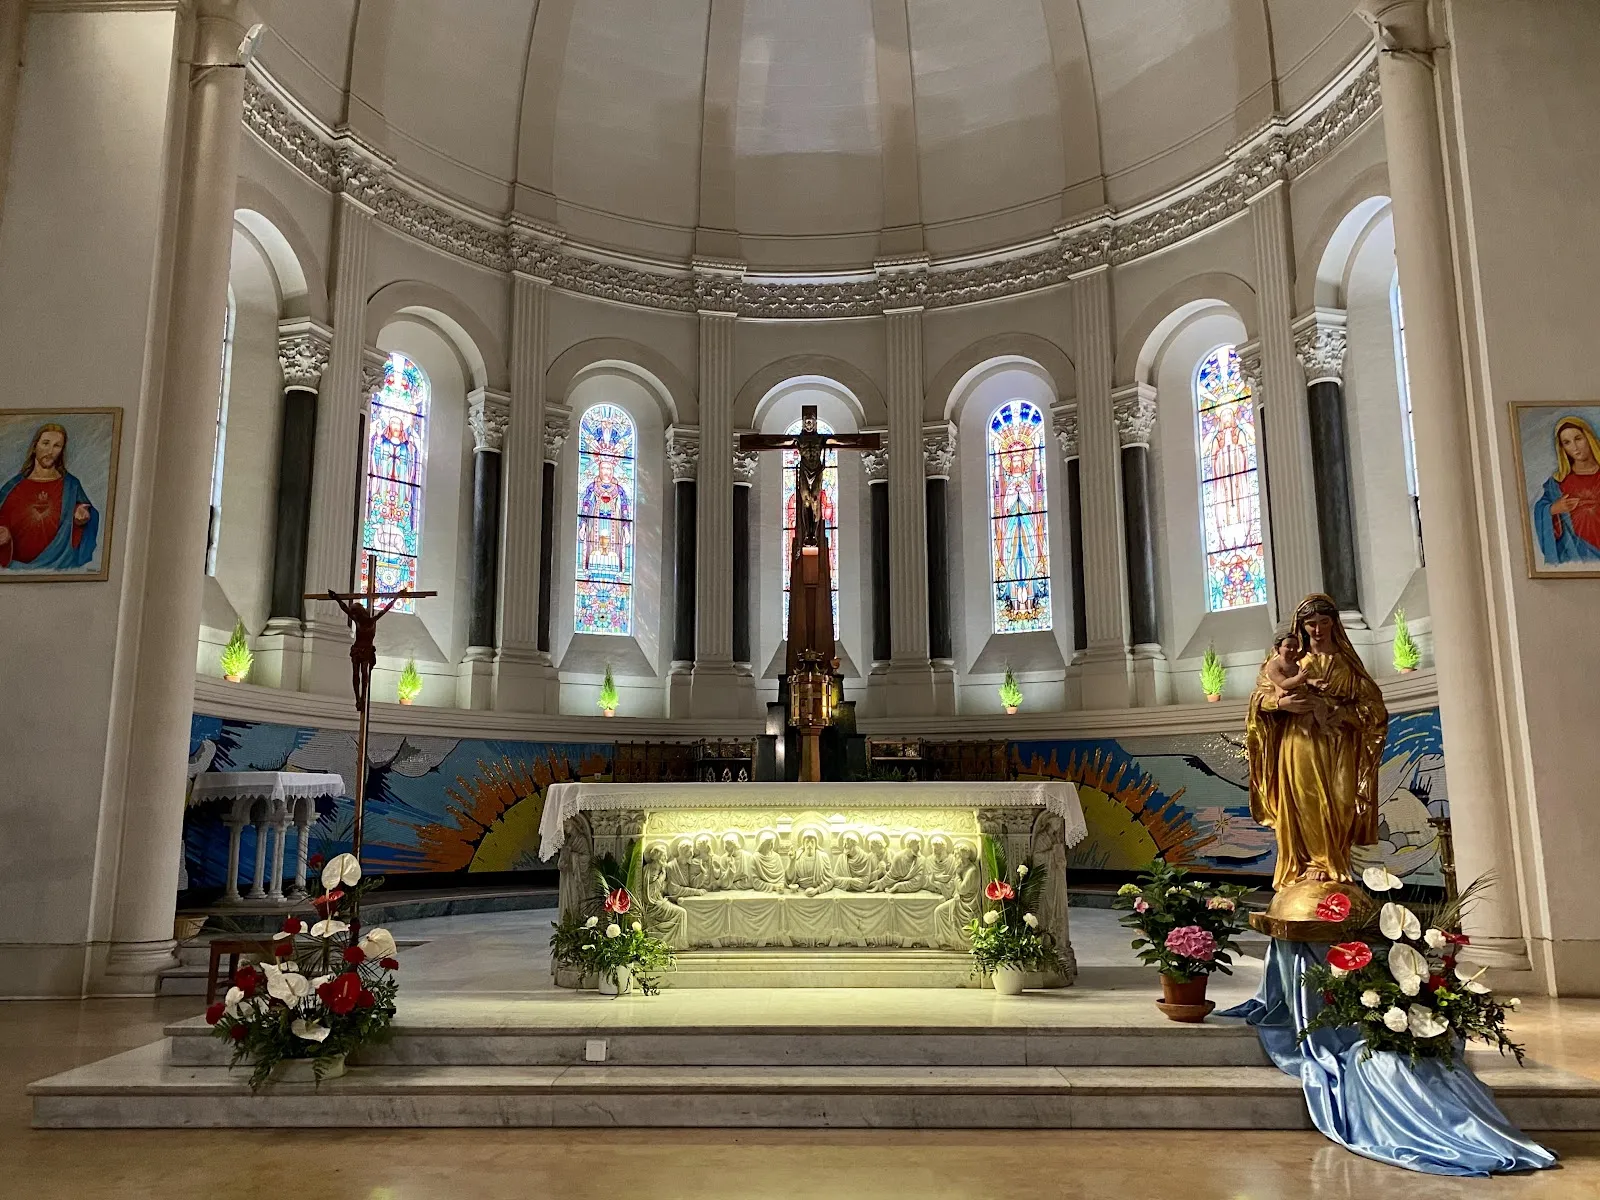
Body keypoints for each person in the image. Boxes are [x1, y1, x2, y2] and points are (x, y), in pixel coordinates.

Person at [1247, 593, 1389, 891]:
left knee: (1341, 803)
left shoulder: (1347, 666)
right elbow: (1259, 699)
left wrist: (1341, 714)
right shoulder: (1287, 662)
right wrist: (1279, 705)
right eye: (1310, 623)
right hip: (1299, 743)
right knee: (1306, 799)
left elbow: (1374, 710)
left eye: (1324, 622)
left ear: (1334, 624)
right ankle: (1312, 864)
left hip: (1338, 745)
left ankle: (1335, 861)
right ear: (1301, 627)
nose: (1317, 629)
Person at [0, 422, 98, 571]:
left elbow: (88, 518)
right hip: (17, 570)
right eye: (46, 443)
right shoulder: (12, 487)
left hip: (59, 566)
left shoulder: (71, 486)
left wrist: (81, 519)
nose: (50, 451)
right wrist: (5, 538)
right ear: (35, 446)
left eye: (57, 446)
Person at [1533, 415, 1600, 563]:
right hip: (1576, 553)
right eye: (1567, 442)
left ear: (1589, 438)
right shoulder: (1557, 483)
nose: (1575, 447)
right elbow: (1541, 508)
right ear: (1562, 448)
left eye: (1578, 438)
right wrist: (1553, 509)